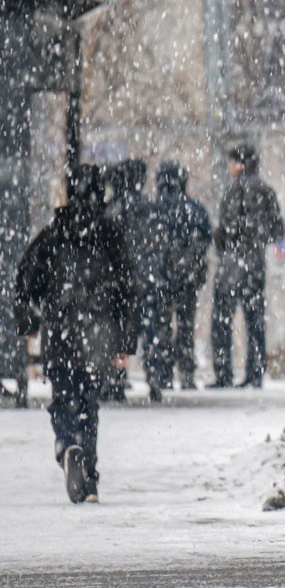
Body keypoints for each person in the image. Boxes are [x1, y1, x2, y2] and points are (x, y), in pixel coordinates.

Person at [14, 164, 139, 503]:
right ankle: (91, 477)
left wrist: (29, 322)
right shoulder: (110, 234)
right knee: (89, 401)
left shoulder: (54, 232)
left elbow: (26, 278)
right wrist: (126, 340)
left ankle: (67, 442)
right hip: (97, 329)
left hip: (61, 325)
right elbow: (129, 288)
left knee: (63, 394)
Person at [211, 144, 284, 388]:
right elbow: (277, 230)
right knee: (255, 320)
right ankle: (255, 372)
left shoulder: (232, 191)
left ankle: (223, 373)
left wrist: (227, 242)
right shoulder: (266, 191)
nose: (229, 167)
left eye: (232, 162)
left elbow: (225, 229)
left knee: (222, 319)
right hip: (255, 263)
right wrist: (257, 238)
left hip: (232, 264)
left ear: (241, 164)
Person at [147, 160, 212, 392]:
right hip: (188, 279)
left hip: (160, 278)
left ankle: (162, 374)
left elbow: (147, 243)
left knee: (160, 325)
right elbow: (206, 240)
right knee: (186, 326)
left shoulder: (153, 208)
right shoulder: (194, 208)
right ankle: (186, 374)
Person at [102, 158, 156, 402]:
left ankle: (116, 380)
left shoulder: (112, 210)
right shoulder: (150, 208)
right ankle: (155, 378)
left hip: (122, 280)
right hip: (147, 276)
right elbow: (158, 243)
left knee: (118, 330)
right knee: (151, 328)